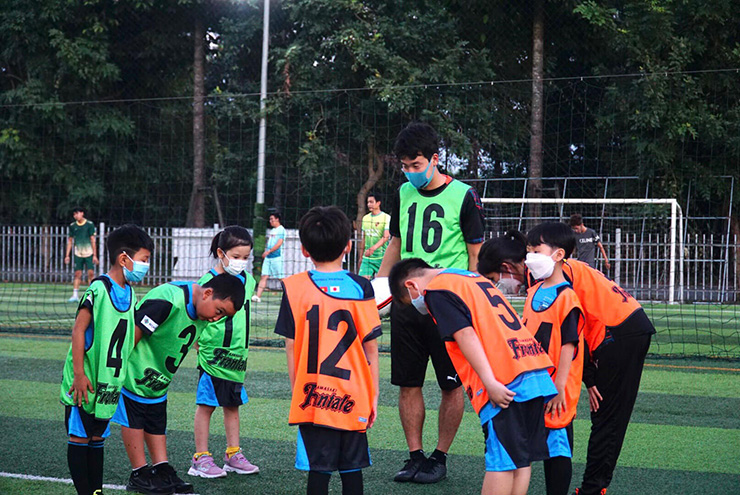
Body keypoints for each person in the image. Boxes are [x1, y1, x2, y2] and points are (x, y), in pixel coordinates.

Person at [477, 229, 656, 495]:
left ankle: (593, 489)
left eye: (494, 280)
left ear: (507, 267)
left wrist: (583, 378)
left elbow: (569, 334)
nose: (497, 288)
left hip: (620, 330)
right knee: (583, 415)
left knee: (607, 416)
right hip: (611, 331)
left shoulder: (552, 278)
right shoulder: (544, 277)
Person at [388, 258, 556, 495]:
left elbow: (465, 334)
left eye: (411, 300)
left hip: (505, 377)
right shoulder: (472, 278)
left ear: (411, 285)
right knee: (521, 459)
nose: (419, 305)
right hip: (533, 369)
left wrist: (489, 382)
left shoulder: (437, 289)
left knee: (501, 462)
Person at [376, 122, 485, 484]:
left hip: (447, 304)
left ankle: (439, 456)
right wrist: (377, 288)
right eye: (405, 166)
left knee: (451, 384)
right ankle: (414, 455)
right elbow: (395, 243)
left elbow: (475, 255)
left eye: (416, 165)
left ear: (435, 159)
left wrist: (473, 302)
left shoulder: (464, 195)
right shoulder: (403, 192)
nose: (410, 172)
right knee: (408, 382)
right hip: (407, 302)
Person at [274, 206, 381, 495]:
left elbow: (291, 345)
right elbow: (371, 347)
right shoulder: (361, 287)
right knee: (352, 469)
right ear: (348, 246)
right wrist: (373, 395)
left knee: (318, 471)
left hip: (313, 396)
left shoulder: (294, 288)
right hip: (353, 395)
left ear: (304, 250)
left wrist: (297, 390)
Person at [111, 274, 246, 495]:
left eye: (223, 316)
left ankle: (162, 468)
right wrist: (117, 370)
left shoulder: (202, 312)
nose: (216, 318)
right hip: (134, 373)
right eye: (219, 311)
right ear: (207, 293)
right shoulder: (169, 299)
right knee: (134, 419)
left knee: (156, 420)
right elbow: (133, 333)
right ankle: (139, 473)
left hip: (158, 379)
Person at [60, 225, 153, 495]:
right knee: (80, 437)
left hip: (109, 383)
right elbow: (79, 330)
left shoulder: (131, 293)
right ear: (124, 258)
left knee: (98, 438)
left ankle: (96, 491)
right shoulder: (99, 288)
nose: (146, 266)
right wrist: (79, 374)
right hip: (86, 380)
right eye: (144, 259)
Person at [189, 226, 260, 479]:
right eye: (236, 256)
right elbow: (196, 315)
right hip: (213, 356)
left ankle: (233, 454)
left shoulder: (248, 281)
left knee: (232, 404)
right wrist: (199, 344)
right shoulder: (206, 282)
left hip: (237, 356)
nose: (241, 262)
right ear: (221, 253)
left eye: (245, 257)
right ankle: (200, 457)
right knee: (206, 404)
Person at [520, 223, 585, 495]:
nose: (530, 257)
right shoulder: (533, 292)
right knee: (528, 441)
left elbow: (569, 345)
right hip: (532, 382)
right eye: (528, 251)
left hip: (556, 387)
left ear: (558, 255)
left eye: (536, 251)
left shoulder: (568, 297)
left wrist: (559, 388)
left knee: (557, 445)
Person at [65, 207, 99, 302]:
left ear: (82, 213)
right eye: (74, 214)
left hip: (89, 253)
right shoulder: (73, 226)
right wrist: (67, 255)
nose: (76, 215)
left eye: (77, 213)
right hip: (78, 253)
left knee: (91, 273)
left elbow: (92, 240)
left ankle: (92, 294)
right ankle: (75, 295)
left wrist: (95, 255)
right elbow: (70, 241)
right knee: (77, 274)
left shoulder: (89, 225)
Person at [253, 212, 285, 303]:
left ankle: (289, 295)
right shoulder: (272, 230)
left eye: (272, 219)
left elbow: (279, 243)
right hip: (268, 258)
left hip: (277, 258)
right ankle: (258, 296)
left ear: (277, 219)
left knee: (281, 278)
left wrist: (269, 251)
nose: (270, 221)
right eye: (270, 219)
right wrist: (267, 252)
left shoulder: (281, 230)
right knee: (264, 276)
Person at [358, 192, 391, 279]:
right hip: (367, 259)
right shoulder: (365, 218)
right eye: (368, 202)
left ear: (378, 203)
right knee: (363, 282)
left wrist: (373, 248)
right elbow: (364, 238)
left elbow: (386, 237)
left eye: (371, 202)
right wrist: (361, 257)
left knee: (383, 283)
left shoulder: (386, 217)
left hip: (381, 258)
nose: (369, 204)